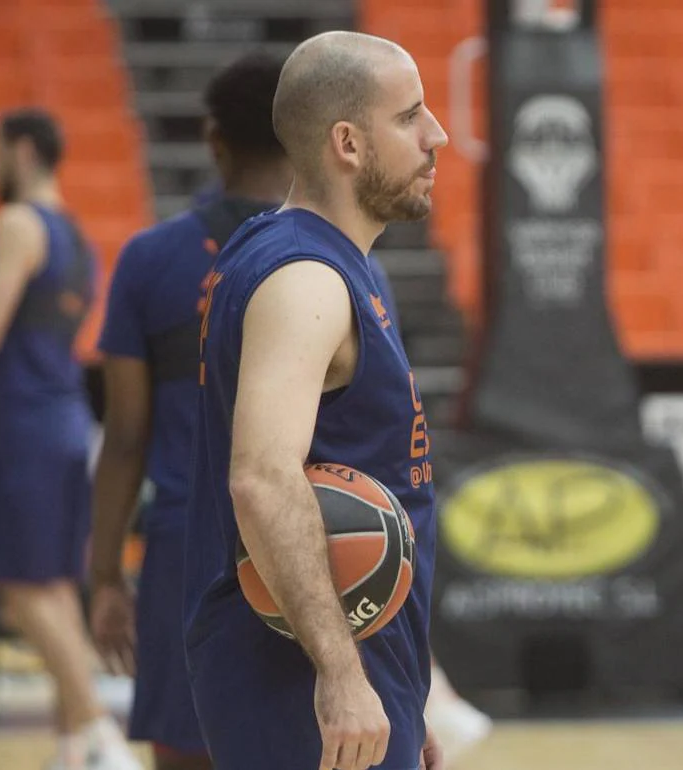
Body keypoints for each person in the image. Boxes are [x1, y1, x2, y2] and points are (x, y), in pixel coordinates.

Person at [182, 31, 448, 770]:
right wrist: (340, 675)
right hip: (295, 678)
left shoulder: (301, 254)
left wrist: (398, 688)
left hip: (345, 669)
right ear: (348, 143)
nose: (439, 136)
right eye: (410, 117)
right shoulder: (305, 281)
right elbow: (263, 478)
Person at [87, 51, 293, 770]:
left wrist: (105, 573)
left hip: (187, 549)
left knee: (186, 755)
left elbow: (126, 436)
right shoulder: (339, 256)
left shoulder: (150, 259)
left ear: (214, 139)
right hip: (305, 543)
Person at [0, 109, 142, 770]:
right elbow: (27, 352)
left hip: (29, 429)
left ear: (22, 150)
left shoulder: (18, 223)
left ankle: (97, 734)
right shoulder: (76, 236)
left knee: (20, 586)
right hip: (61, 423)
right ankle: (74, 747)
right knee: (55, 586)